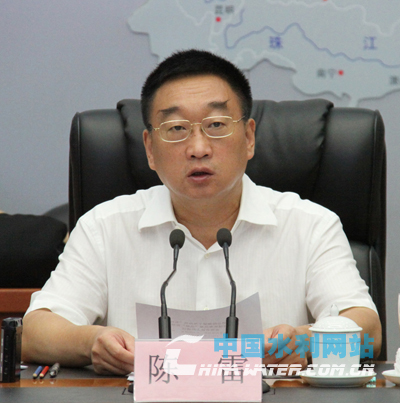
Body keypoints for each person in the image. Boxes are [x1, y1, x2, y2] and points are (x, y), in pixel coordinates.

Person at [22, 49, 382, 375]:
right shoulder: (104, 227)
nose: (198, 148)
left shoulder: (310, 225)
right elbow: (34, 333)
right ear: (150, 148)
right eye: (176, 129)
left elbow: (369, 333)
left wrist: (303, 343)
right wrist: (91, 342)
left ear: (249, 138)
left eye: (216, 125)